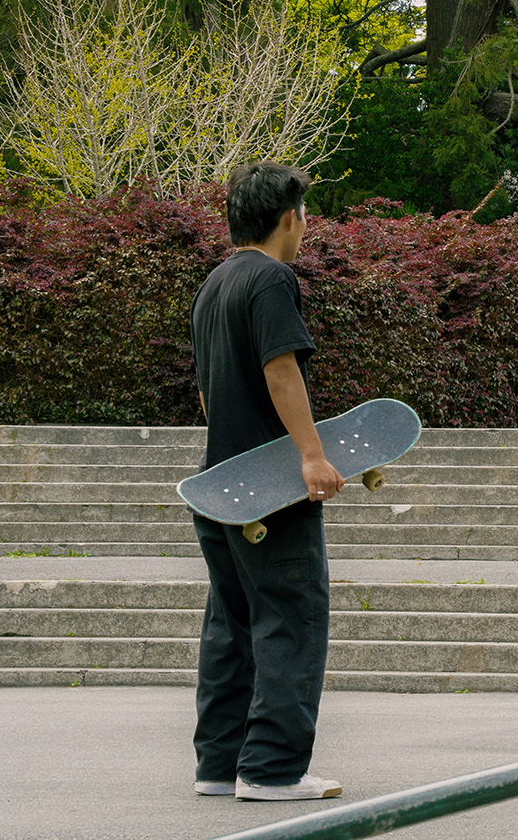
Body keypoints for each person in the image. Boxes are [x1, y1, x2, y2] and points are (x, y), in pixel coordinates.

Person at [188, 161, 345, 802]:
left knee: (233, 622)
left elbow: (205, 394)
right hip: (269, 490)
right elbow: (281, 370)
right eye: (305, 215)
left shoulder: (214, 284)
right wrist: (310, 455)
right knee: (291, 618)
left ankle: (219, 766)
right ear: (289, 217)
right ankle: (273, 769)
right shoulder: (272, 278)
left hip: (218, 483)